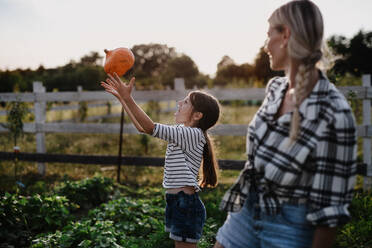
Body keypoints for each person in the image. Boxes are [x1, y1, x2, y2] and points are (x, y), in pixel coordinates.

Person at [214, 1, 357, 248]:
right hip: (247, 210)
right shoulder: (276, 89)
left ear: (285, 35)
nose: (265, 44)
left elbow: (329, 215)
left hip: (290, 226)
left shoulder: (335, 112)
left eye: (269, 34)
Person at [101, 73, 220, 248]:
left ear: (197, 115)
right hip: (177, 202)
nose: (179, 103)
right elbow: (142, 128)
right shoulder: (183, 131)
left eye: (186, 102)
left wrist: (128, 98)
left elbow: (150, 127)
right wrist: (124, 100)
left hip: (185, 204)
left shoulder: (192, 134)